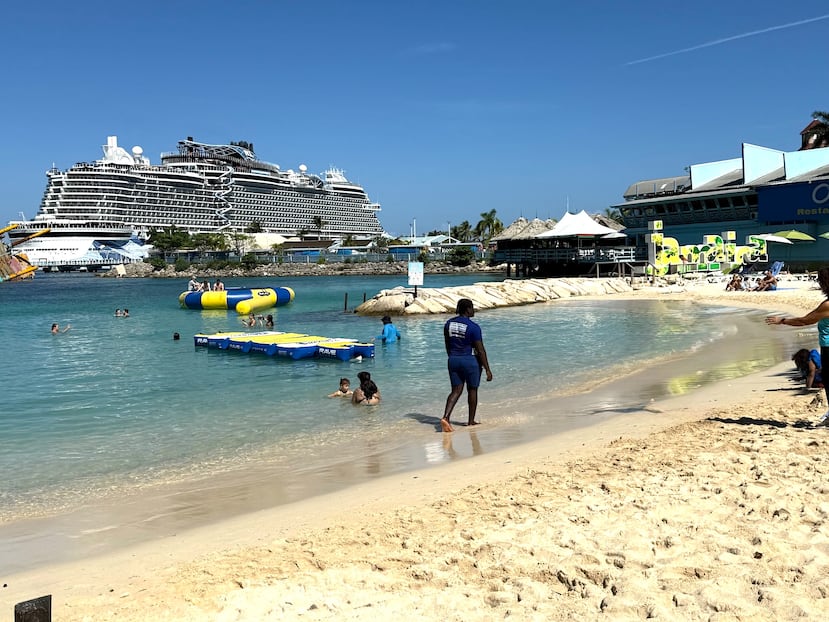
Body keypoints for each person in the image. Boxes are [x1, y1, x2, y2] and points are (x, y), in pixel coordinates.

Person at [767, 267, 829, 423]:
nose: (819, 285)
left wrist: (783, 321)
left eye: (820, 281)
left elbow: (805, 321)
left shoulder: (827, 305)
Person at [441, 298, 493, 432]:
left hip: (453, 360)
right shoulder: (473, 327)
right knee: (472, 390)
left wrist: (452, 357)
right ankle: (471, 421)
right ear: (468, 309)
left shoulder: (448, 324)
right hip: (469, 361)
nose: (474, 310)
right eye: (472, 308)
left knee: (456, 390)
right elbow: (480, 350)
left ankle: (446, 417)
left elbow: (447, 344)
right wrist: (487, 369)